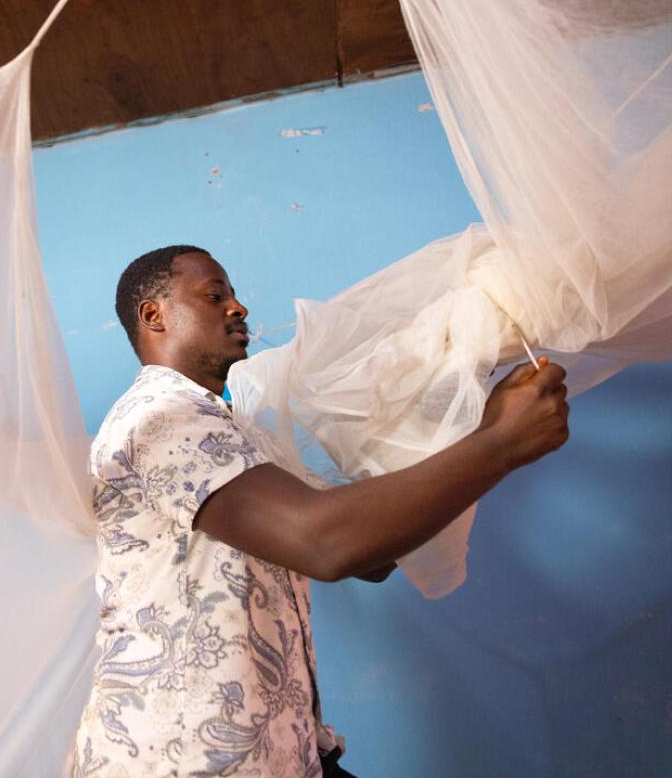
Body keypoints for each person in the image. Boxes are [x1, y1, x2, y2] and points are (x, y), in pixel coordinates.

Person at [72, 245, 570, 777]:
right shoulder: (158, 419)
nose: (238, 308)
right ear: (154, 315)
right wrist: (498, 444)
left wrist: (460, 418)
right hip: (184, 757)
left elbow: (370, 559)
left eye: (235, 296)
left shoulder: (243, 435)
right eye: (216, 295)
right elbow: (327, 544)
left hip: (283, 753)